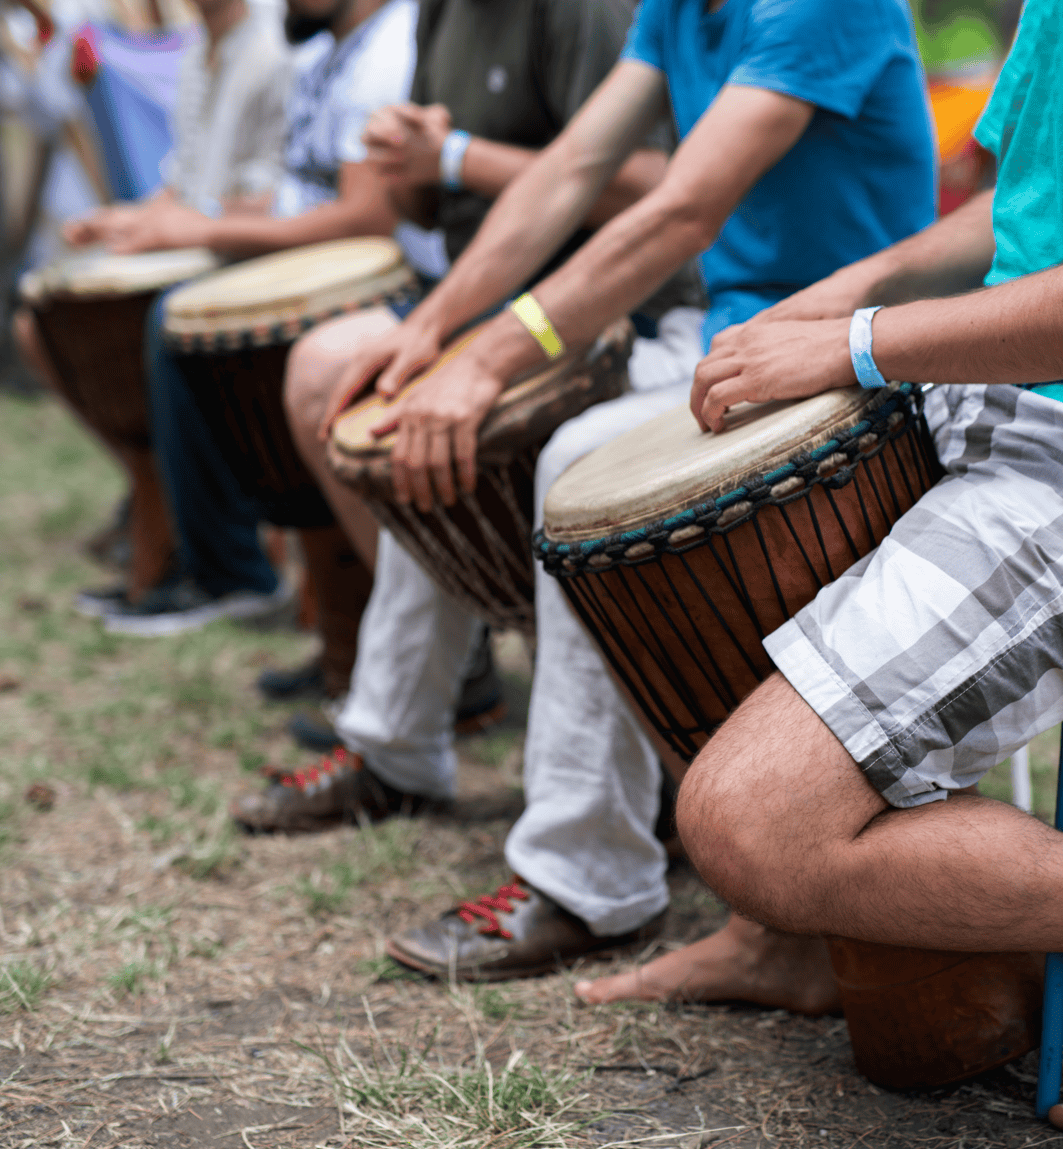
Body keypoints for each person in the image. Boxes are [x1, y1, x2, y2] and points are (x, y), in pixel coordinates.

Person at [253, 0, 941, 986]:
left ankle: (587, 881)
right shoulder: (676, 9)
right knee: (426, 404)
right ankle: (395, 744)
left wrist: (489, 357)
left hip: (848, 361)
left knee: (574, 459)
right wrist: (439, 335)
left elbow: (683, 208)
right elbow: (567, 169)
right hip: (735, 345)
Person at [583, 0, 1063, 1018]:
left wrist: (862, 340)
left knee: (753, 825)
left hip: (1050, 453)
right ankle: (775, 947)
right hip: (978, 403)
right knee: (688, 537)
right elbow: (1022, 201)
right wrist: (842, 298)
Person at [228, 0, 703, 828]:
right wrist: (418, 185)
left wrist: (455, 156)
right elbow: (442, 205)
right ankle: (394, 746)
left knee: (446, 418)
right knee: (393, 405)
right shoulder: (438, 10)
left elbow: (644, 190)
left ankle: (550, 776)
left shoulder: (589, 12)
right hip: (491, 303)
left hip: (617, 318)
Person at [70, 0, 436, 645]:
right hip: (329, 271)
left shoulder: (379, 55)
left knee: (175, 318)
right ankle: (277, 600)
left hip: (391, 288)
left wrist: (207, 227)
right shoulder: (325, 50)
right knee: (156, 314)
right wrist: (157, 220)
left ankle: (236, 571)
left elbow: (367, 216)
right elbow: (288, 191)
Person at [15, 0, 294, 619]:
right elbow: (184, 186)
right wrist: (128, 219)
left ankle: (223, 563)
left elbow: (270, 205)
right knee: (37, 326)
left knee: (158, 321)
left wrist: (180, 229)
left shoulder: (271, 51)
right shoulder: (200, 51)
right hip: (203, 256)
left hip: (249, 266)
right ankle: (163, 503)